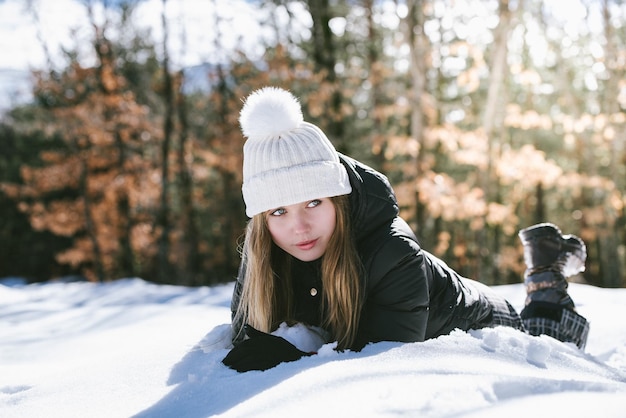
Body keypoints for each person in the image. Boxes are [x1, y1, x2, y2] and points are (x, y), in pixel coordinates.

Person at [222, 87, 589, 372]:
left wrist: (292, 360)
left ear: (340, 200)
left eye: (314, 202)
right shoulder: (262, 256)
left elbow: (387, 365)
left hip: (482, 319)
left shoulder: (392, 252)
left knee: (547, 334)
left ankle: (547, 272)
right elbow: (244, 338)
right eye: (279, 211)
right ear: (262, 220)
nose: (298, 227)